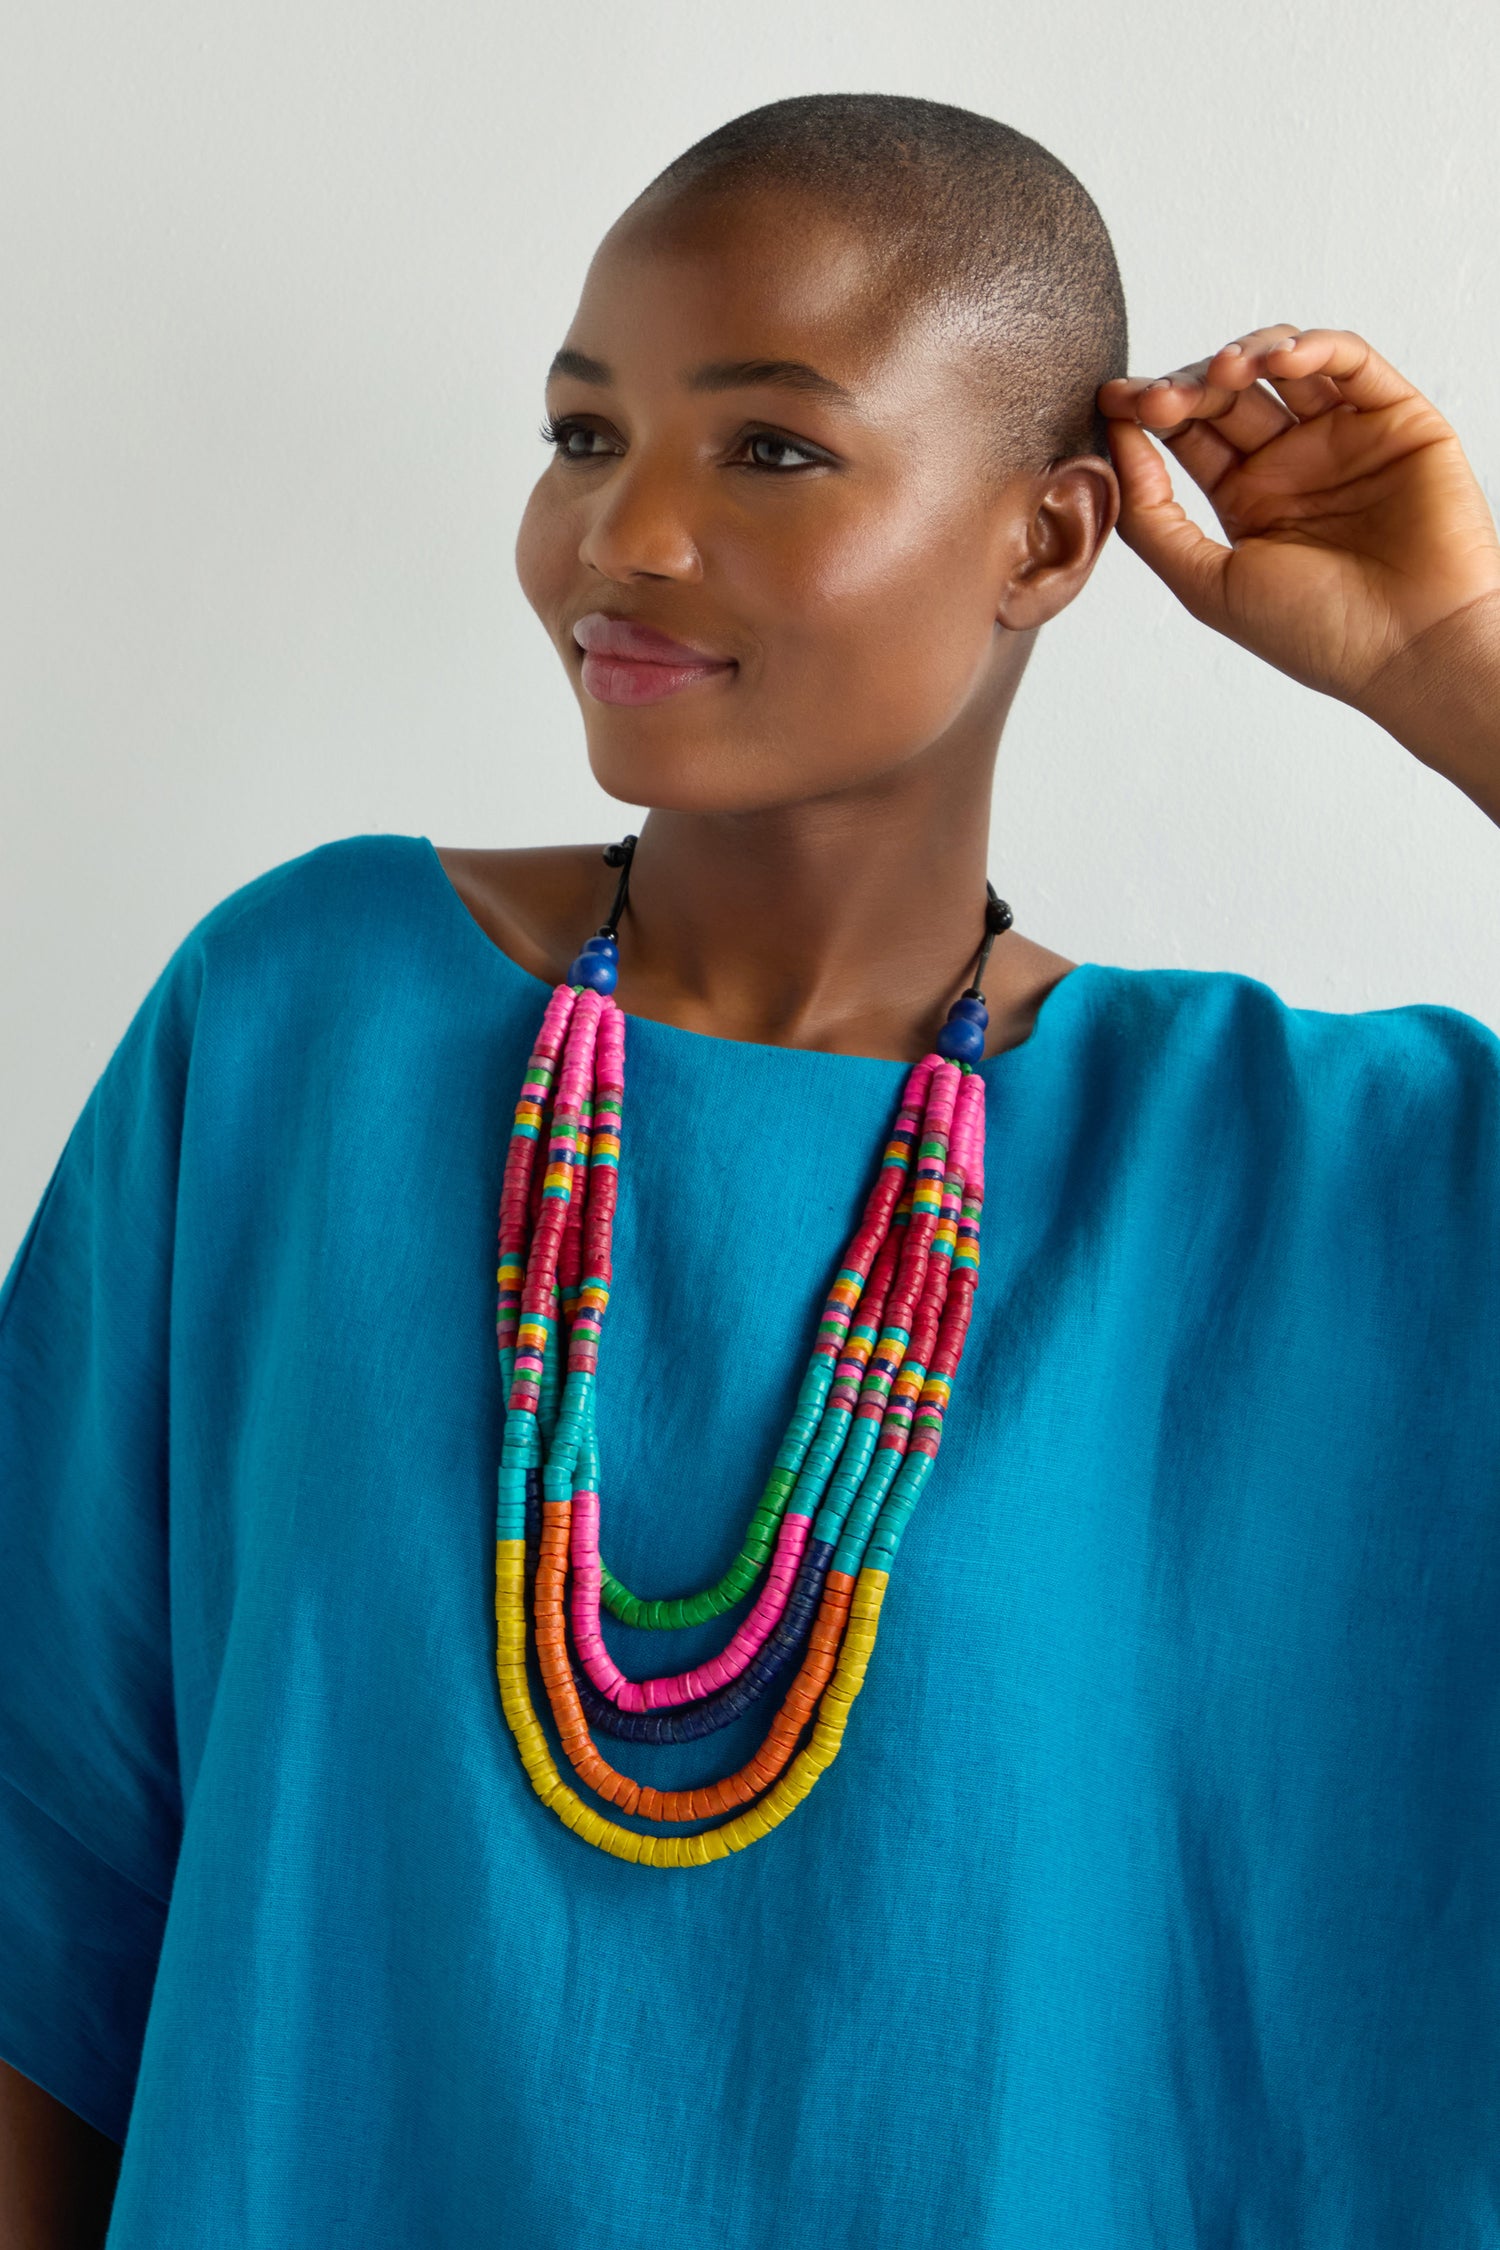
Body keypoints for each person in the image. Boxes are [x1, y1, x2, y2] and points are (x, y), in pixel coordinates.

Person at [2, 89, 1498, 2248]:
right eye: (583, 433)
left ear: (1049, 540)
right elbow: (44, 1859)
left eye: (770, 448)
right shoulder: (306, 1022)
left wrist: (1462, 670)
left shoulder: (1310, 1180)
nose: (624, 535)